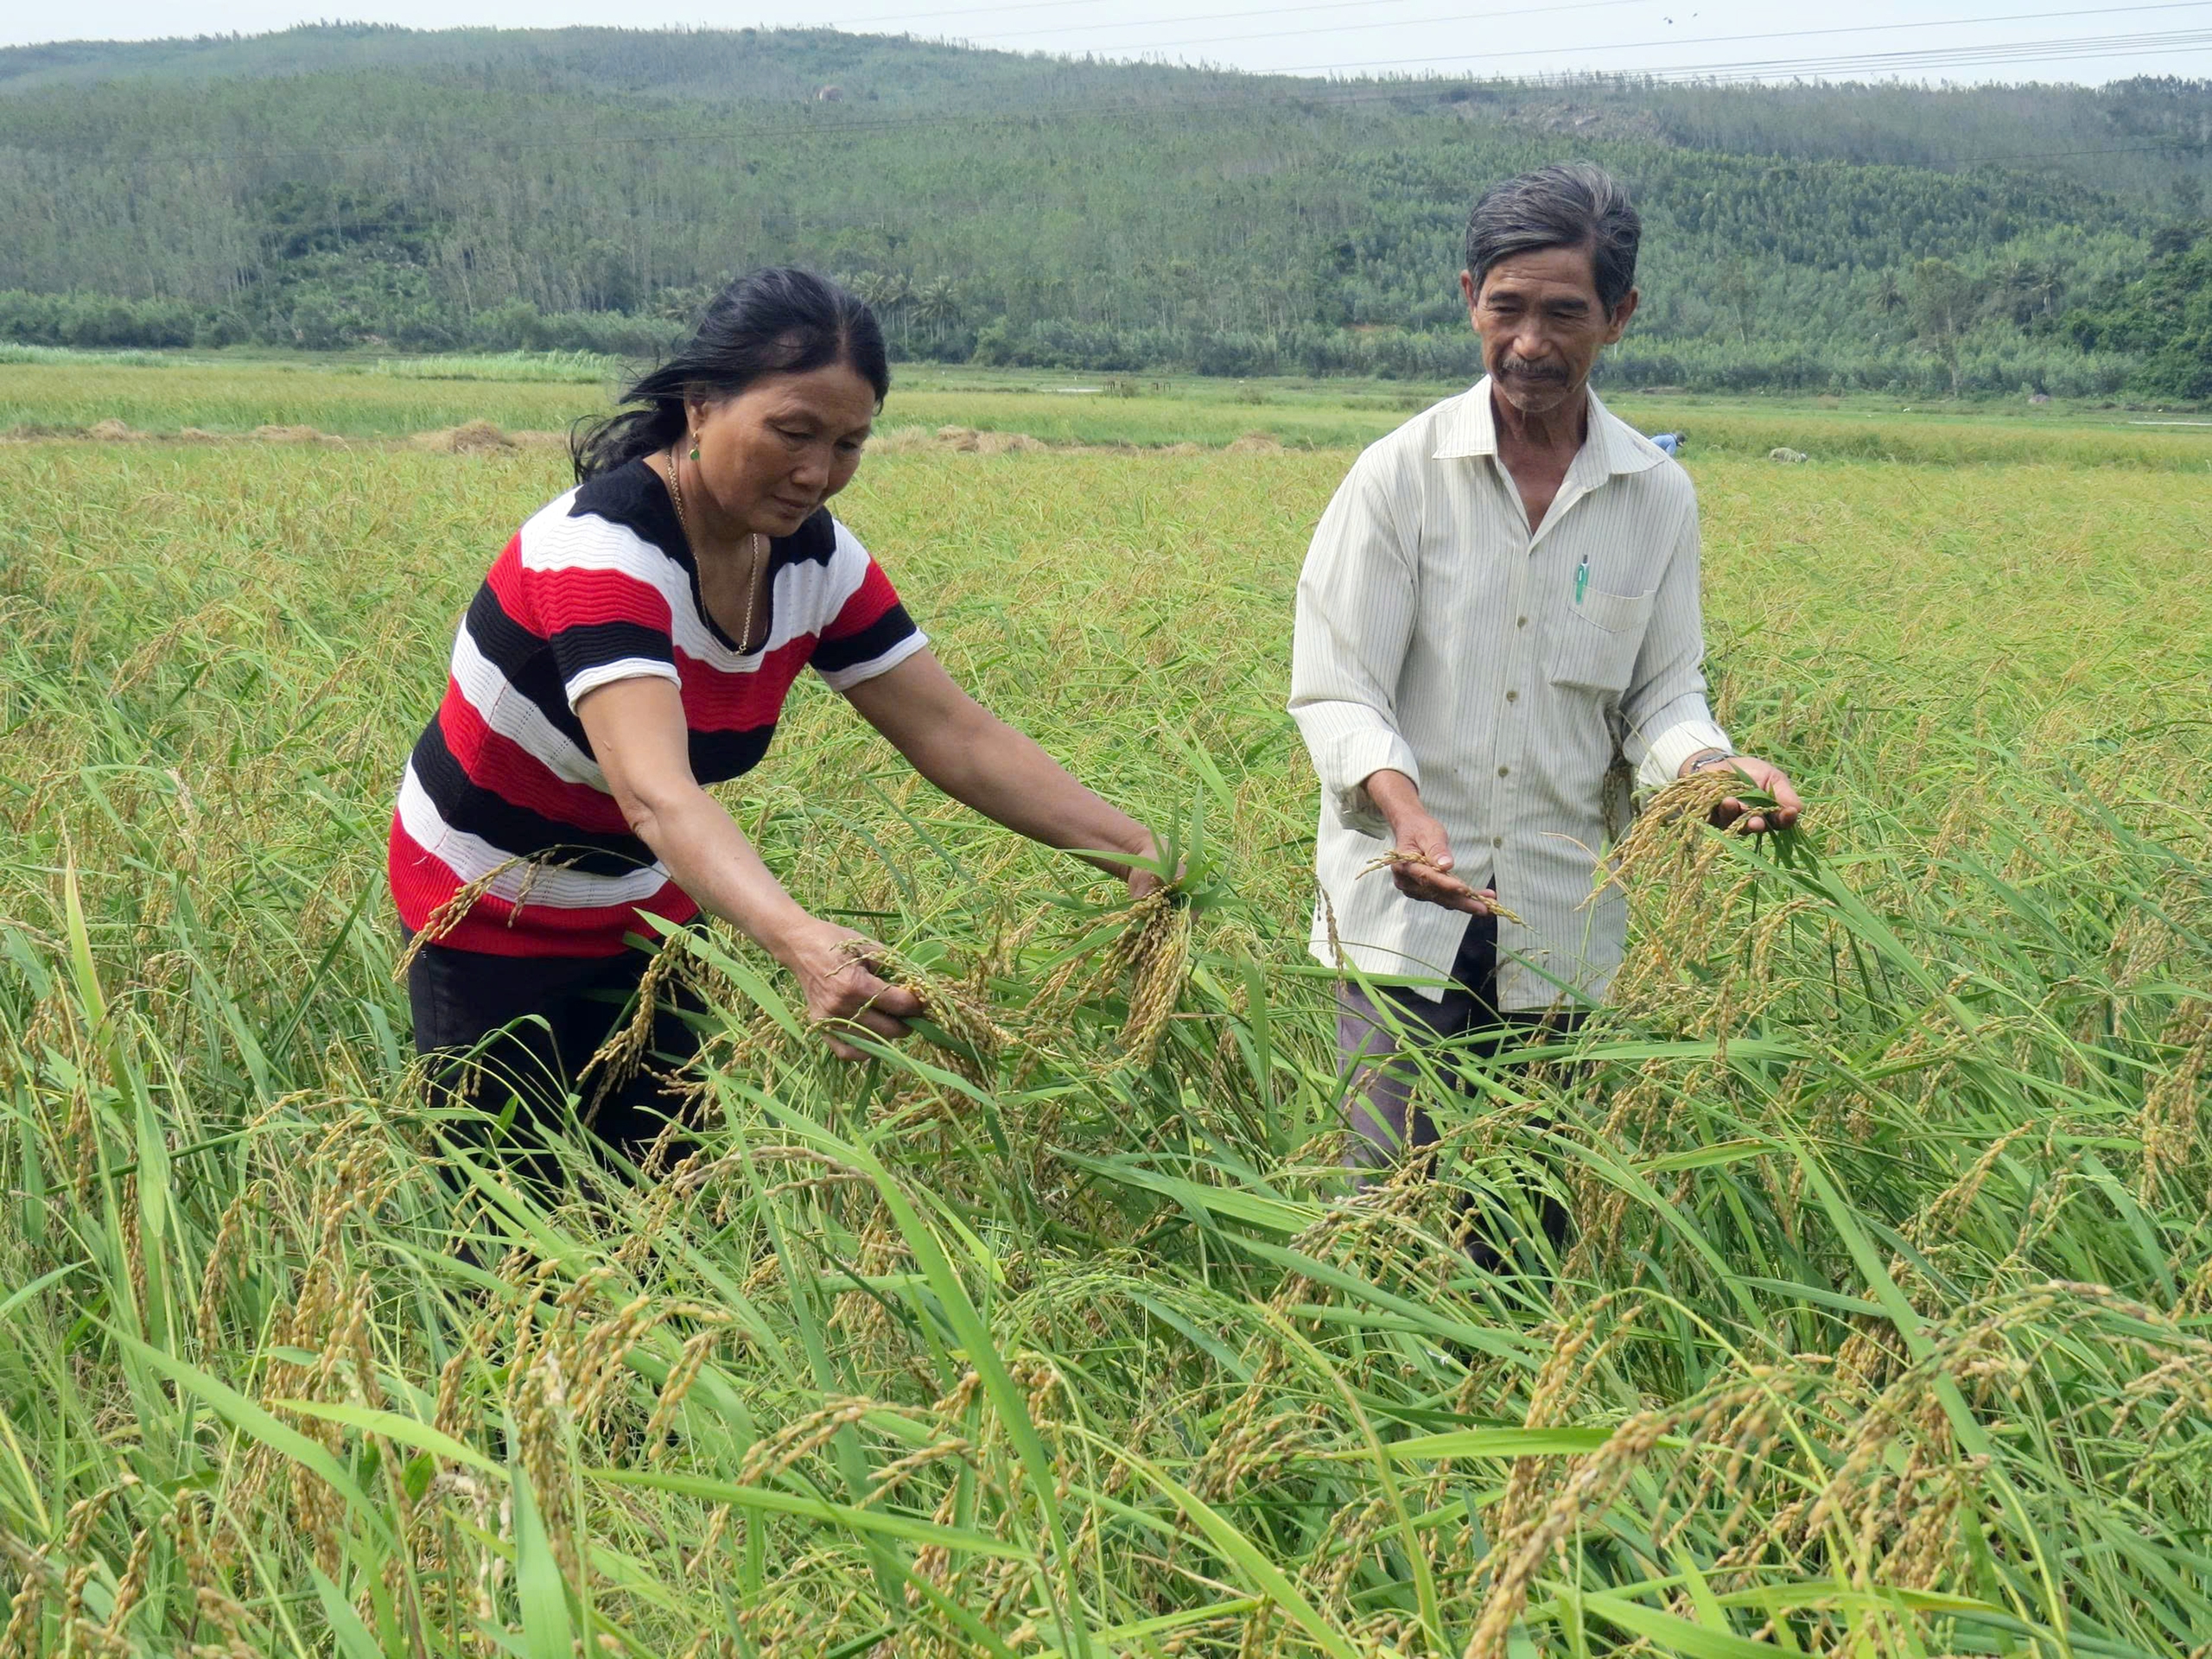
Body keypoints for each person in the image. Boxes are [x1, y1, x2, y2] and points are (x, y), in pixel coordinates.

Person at [391, 267, 1160, 1170]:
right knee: (511, 1228)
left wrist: (1135, 850)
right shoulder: (598, 554)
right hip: (483, 914)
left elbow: (956, 734)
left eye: (847, 444)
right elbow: (656, 793)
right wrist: (804, 944)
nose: (815, 473)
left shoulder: (814, 560)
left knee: (668, 1198)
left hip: (648, 910)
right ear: (699, 405)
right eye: (792, 432)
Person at [1288, 162, 1802, 1192]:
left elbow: (1661, 695)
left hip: (1558, 926)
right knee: (1385, 1209)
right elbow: (1339, 687)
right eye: (1505, 307)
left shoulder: (1654, 496)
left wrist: (1709, 770)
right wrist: (1404, 812)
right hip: (1402, 924)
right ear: (1468, 298)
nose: (1529, 342)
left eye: (1564, 313)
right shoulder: (1399, 475)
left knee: (1529, 1225)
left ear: (1619, 316)